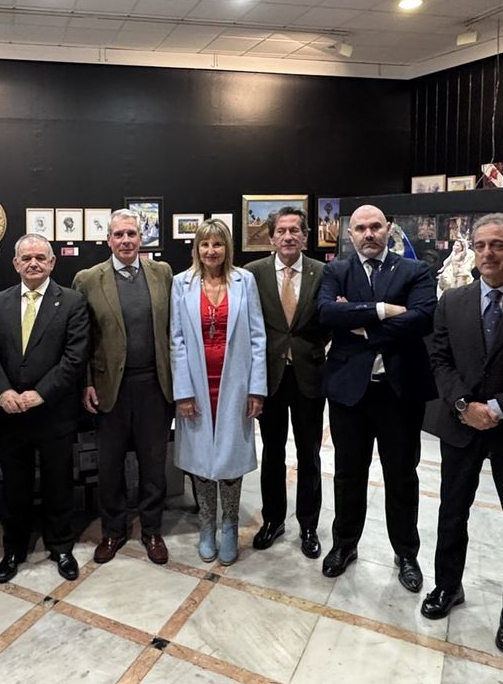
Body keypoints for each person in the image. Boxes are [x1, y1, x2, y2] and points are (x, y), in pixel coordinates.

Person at [421, 213, 503, 657]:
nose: (487, 253)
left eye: (498, 245)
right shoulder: (452, 301)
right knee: (451, 512)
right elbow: (440, 359)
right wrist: (464, 405)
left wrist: (497, 408)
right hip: (461, 426)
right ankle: (446, 586)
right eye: (480, 245)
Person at [316, 204, 437, 589]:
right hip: (349, 392)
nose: (368, 234)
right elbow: (326, 315)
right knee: (349, 474)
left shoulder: (415, 270)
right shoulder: (336, 270)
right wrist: (384, 310)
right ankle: (344, 545)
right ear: (349, 235)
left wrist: (362, 325)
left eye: (375, 227)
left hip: (399, 393)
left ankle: (406, 554)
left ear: (388, 228)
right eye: (360, 228)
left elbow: (422, 318)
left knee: (401, 475)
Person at [0, 234, 92, 583]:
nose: (33, 263)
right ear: (15, 263)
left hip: (53, 412)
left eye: (40, 257)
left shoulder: (73, 302)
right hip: (10, 412)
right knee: (13, 484)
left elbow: (74, 358)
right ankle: (13, 548)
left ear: (52, 263)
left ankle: (60, 545)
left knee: (58, 481)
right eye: (26, 257)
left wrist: (40, 394)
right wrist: (2, 392)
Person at [73, 209, 175, 565]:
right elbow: (80, 338)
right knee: (110, 465)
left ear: (141, 238)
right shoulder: (88, 278)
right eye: (119, 235)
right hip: (109, 387)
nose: (126, 241)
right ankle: (113, 531)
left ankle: (152, 530)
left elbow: (171, 329)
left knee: (153, 462)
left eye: (132, 234)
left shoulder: (162, 273)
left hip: (155, 384)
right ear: (108, 240)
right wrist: (85, 382)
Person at [171, 219, 266, 565]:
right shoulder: (181, 283)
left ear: (227, 248)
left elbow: (258, 337)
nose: (211, 251)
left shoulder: (245, 281)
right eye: (204, 245)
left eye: (217, 244)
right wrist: (182, 390)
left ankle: (230, 526)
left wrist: (257, 387)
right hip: (197, 383)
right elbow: (177, 340)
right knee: (200, 460)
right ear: (196, 248)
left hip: (235, 384)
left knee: (230, 458)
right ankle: (206, 525)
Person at [244, 207, 329, 558]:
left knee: (309, 453)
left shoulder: (323, 272)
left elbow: (331, 317)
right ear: (271, 236)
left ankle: (308, 525)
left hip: (309, 375)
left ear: (305, 236)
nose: (289, 236)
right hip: (271, 377)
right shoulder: (253, 274)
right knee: (273, 453)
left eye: (295, 230)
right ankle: (273, 519)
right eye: (282, 231)